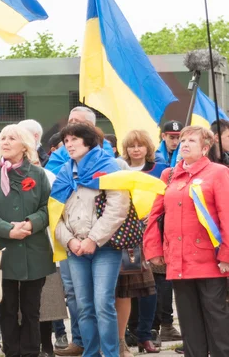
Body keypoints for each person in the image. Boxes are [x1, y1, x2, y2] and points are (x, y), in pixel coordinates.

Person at [144, 126, 229, 356]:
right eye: (183, 140)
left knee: (217, 321)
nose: (185, 144)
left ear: (205, 147)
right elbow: (155, 215)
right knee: (189, 324)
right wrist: (153, 249)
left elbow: (226, 215)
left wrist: (226, 255)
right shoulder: (169, 174)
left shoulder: (218, 173)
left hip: (210, 261)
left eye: (192, 140)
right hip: (178, 260)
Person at [53, 123, 131, 357]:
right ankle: (91, 353)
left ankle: (110, 353)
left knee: (103, 303)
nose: (69, 144)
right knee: (83, 305)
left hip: (105, 248)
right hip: (74, 249)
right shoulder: (64, 173)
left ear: (89, 141)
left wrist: (93, 239)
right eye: (66, 141)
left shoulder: (110, 167)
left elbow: (118, 209)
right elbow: (53, 213)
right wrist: (70, 241)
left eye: (75, 139)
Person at [0, 124, 54, 357]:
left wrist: (31, 223)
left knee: (32, 309)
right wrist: (7, 230)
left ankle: (31, 351)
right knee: (7, 308)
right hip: (3, 250)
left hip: (34, 249)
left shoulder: (38, 174)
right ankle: (11, 350)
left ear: (25, 146)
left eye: (12, 138)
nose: (5, 142)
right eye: (2, 138)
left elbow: (46, 207)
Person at [116, 130, 165, 356]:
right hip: (125, 235)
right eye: (131, 146)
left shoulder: (159, 170)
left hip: (151, 233)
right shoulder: (117, 170)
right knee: (129, 286)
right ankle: (127, 333)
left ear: (148, 148)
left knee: (149, 286)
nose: (136, 149)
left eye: (140, 145)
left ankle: (145, 335)